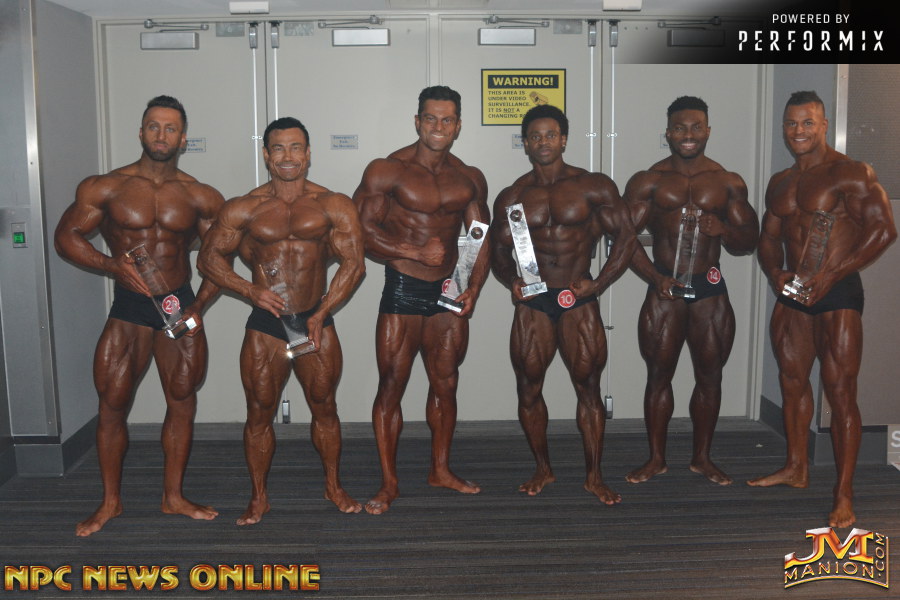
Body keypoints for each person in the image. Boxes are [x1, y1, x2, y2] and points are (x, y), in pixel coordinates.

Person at [54, 95, 225, 536]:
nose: (161, 135)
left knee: (182, 400)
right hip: (129, 307)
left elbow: (218, 259)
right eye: (153, 126)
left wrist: (199, 306)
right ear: (141, 132)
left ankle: (174, 497)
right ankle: (110, 502)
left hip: (178, 304)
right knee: (112, 404)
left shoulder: (200, 195)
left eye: (170, 128)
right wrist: (111, 265)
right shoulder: (106, 187)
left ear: (183, 138)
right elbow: (66, 236)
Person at [197, 116, 365, 525]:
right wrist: (249, 289)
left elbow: (354, 264)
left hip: (314, 319)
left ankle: (333, 486)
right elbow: (208, 259)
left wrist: (323, 311)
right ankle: (259, 497)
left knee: (325, 406)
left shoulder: (333, 204)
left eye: (295, 147)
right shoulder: (243, 207)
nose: (287, 156)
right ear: (266, 155)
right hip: (266, 324)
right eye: (278, 148)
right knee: (259, 410)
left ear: (308, 154)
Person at [748, 91, 896, 528]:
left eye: (807, 122)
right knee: (792, 382)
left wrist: (833, 274)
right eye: (791, 123)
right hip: (793, 290)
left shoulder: (851, 172)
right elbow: (768, 238)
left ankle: (843, 494)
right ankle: (796, 467)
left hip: (838, 292)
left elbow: (884, 230)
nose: (798, 131)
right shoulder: (780, 182)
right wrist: (774, 272)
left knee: (840, 391)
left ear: (824, 125)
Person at [352, 85, 490, 514]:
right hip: (404, 287)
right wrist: (412, 251)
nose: (438, 127)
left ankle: (440, 469)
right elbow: (359, 232)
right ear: (417, 122)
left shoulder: (469, 177)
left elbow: (479, 237)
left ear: (458, 126)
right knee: (392, 384)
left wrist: (474, 286)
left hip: (449, 291)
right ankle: (388, 483)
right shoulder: (387, 170)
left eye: (447, 120)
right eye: (430, 118)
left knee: (446, 382)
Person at [490, 104, 637, 504]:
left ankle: (594, 476)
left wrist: (599, 283)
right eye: (535, 136)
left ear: (564, 140)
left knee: (588, 387)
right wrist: (512, 280)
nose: (543, 142)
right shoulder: (513, 196)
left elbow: (626, 238)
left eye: (551, 135)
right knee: (528, 388)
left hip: (578, 299)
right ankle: (543, 468)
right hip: (534, 302)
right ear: (525, 143)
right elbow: (498, 251)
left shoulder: (593, 186)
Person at [623, 96, 759, 486]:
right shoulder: (647, 181)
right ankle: (656, 459)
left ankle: (702, 458)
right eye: (680, 128)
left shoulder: (728, 181)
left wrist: (724, 230)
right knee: (658, 375)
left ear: (708, 131)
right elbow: (623, 238)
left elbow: (749, 240)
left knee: (710, 376)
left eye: (696, 127)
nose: (688, 135)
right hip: (665, 289)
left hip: (709, 292)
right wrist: (655, 277)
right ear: (668, 133)